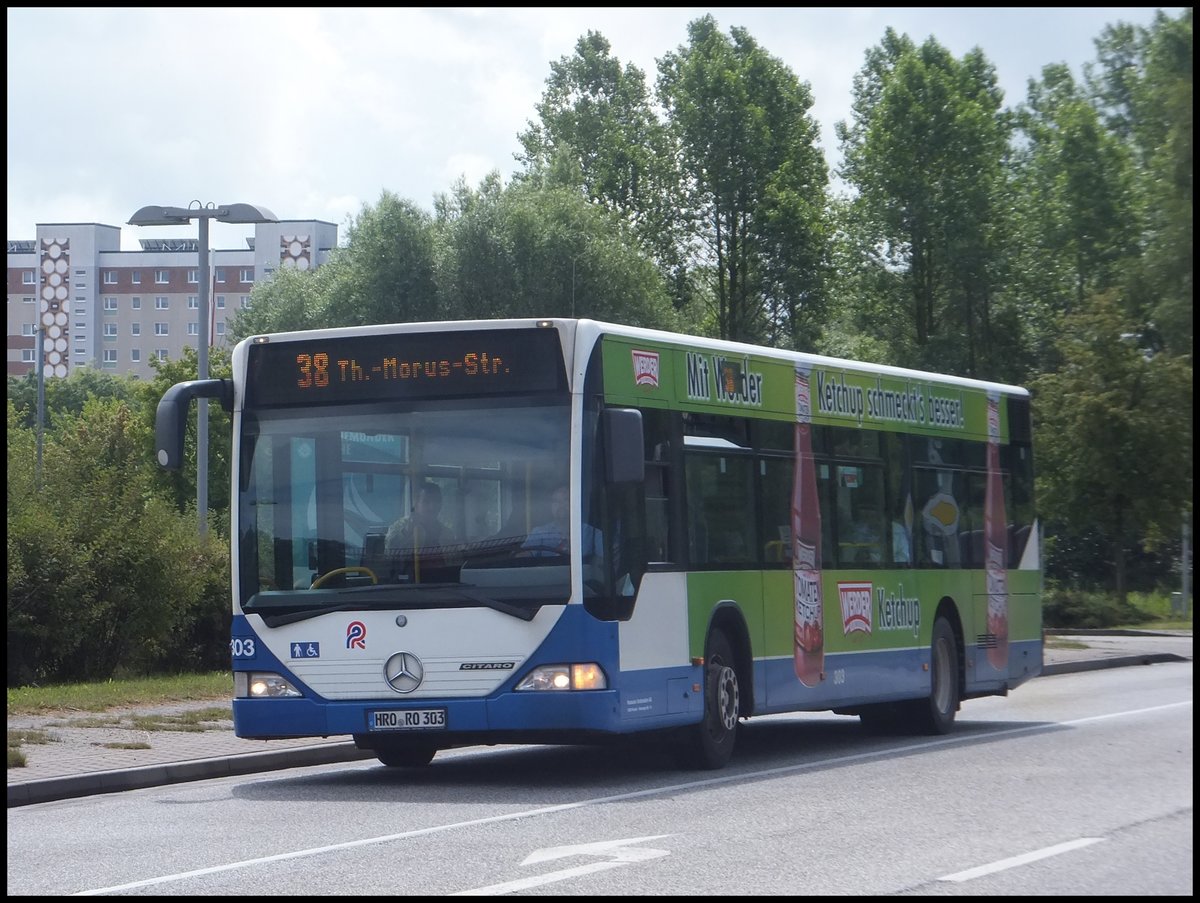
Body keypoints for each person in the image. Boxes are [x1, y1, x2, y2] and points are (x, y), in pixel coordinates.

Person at [520, 483, 603, 561]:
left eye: (565, 500)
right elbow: (522, 558)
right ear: (551, 506)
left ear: (575, 503)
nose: (561, 505)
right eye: (556, 501)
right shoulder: (539, 533)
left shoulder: (591, 533)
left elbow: (605, 561)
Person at [386, 482, 452, 553]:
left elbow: (454, 560)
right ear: (416, 504)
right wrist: (407, 531)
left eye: (436, 501)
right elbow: (389, 553)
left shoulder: (447, 533)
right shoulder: (400, 527)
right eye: (426, 501)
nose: (432, 507)